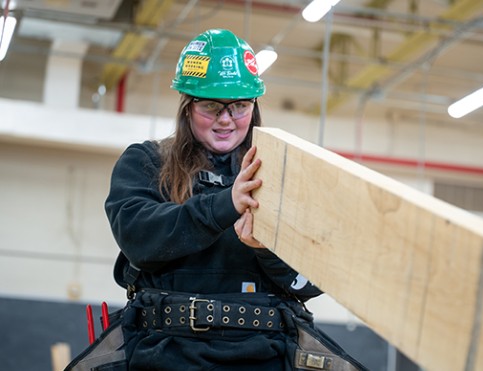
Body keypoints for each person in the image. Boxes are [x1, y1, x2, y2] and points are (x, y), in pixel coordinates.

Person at [66, 29, 365, 370]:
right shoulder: (146, 162)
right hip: (164, 352)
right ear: (187, 106)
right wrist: (226, 204)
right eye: (211, 106)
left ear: (254, 107)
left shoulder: (283, 179)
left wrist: (265, 247)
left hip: (264, 354)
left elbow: (311, 280)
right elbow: (139, 239)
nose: (226, 119)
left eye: (239, 106)